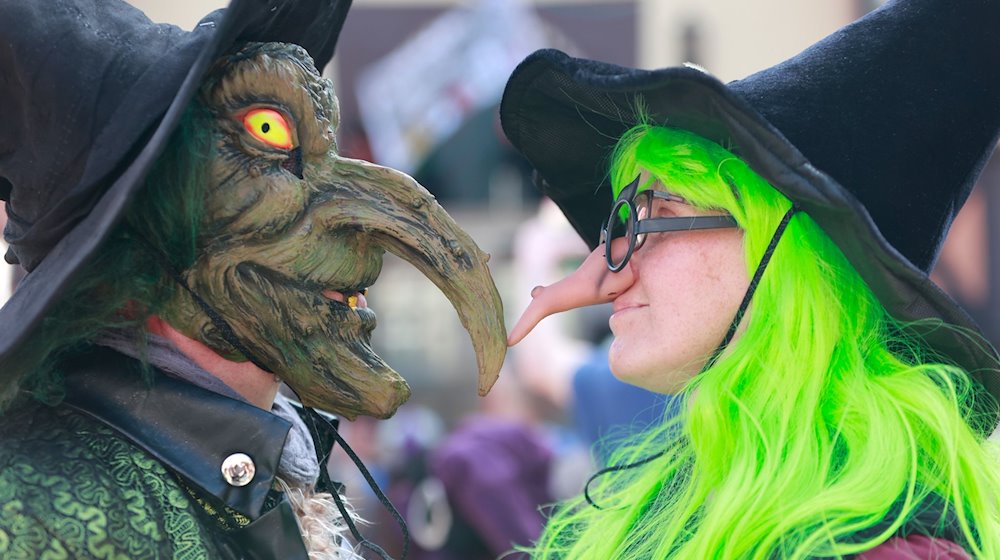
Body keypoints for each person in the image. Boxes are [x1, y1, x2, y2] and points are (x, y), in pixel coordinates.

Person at [0, 0, 506, 558]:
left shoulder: (270, 474)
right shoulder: (34, 505)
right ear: (143, 228)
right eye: (267, 132)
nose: (363, 232)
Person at [500, 0, 1000, 558]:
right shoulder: (675, 496)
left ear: (782, 252)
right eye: (621, 222)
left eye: (659, 214)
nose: (611, 267)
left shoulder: (891, 543)